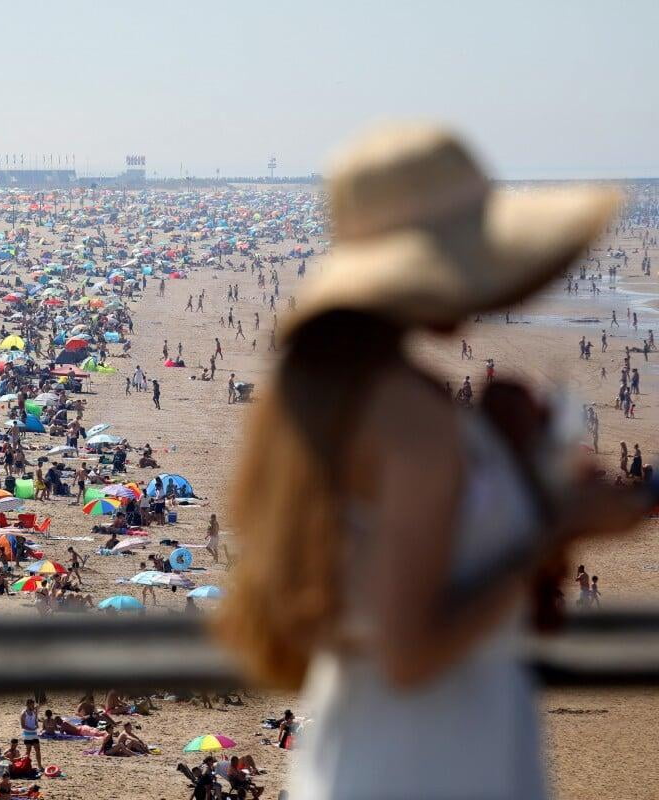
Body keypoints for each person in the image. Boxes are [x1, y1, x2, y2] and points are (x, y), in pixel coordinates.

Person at [222, 124, 650, 799]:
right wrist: (559, 529)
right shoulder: (406, 414)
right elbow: (409, 651)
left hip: (372, 747)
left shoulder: (344, 394)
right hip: (430, 757)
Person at [20, 698, 42, 768]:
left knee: (37, 749)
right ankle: (26, 766)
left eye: (33, 705)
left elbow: (35, 721)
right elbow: (23, 726)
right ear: (28, 705)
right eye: (32, 705)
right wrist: (32, 728)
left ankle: (39, 765)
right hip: (27, 734)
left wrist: (36, 725)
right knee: (28, 751)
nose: (33, 707)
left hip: (34, 734)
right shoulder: (23, 713)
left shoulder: (34, 712)